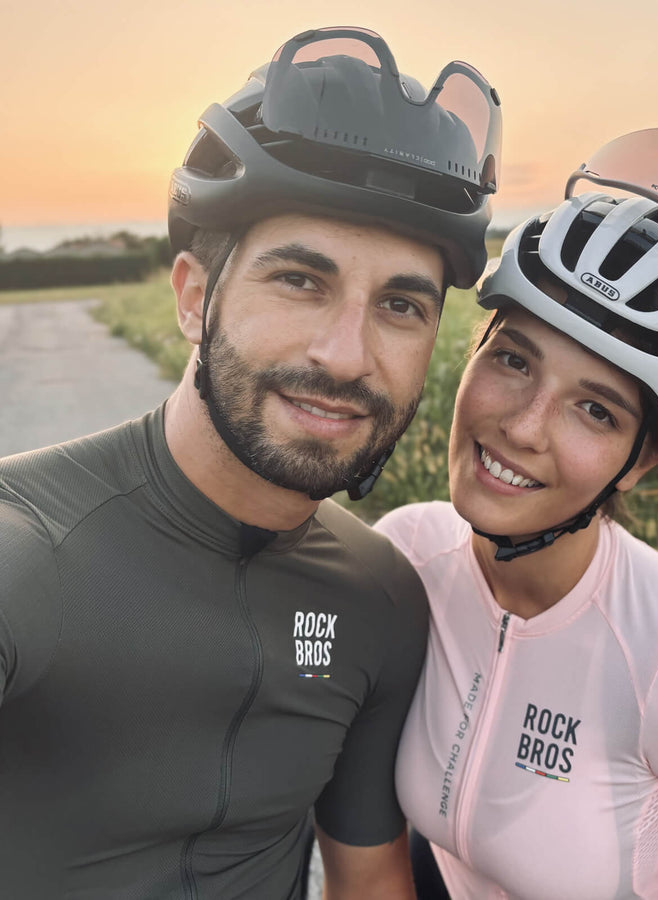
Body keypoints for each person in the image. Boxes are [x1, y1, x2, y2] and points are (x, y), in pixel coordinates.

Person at [0, 26, 501, 899]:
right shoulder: (23, 553)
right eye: (300, 281)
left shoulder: (379, 596)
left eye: (400, 305)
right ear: (196, 297)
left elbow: (370, 880)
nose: (347, 356)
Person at [375, 129, 658, 900]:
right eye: (513, 359)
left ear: (640, 462)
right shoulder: (405, 558)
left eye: (596, 411)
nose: (524, 427)